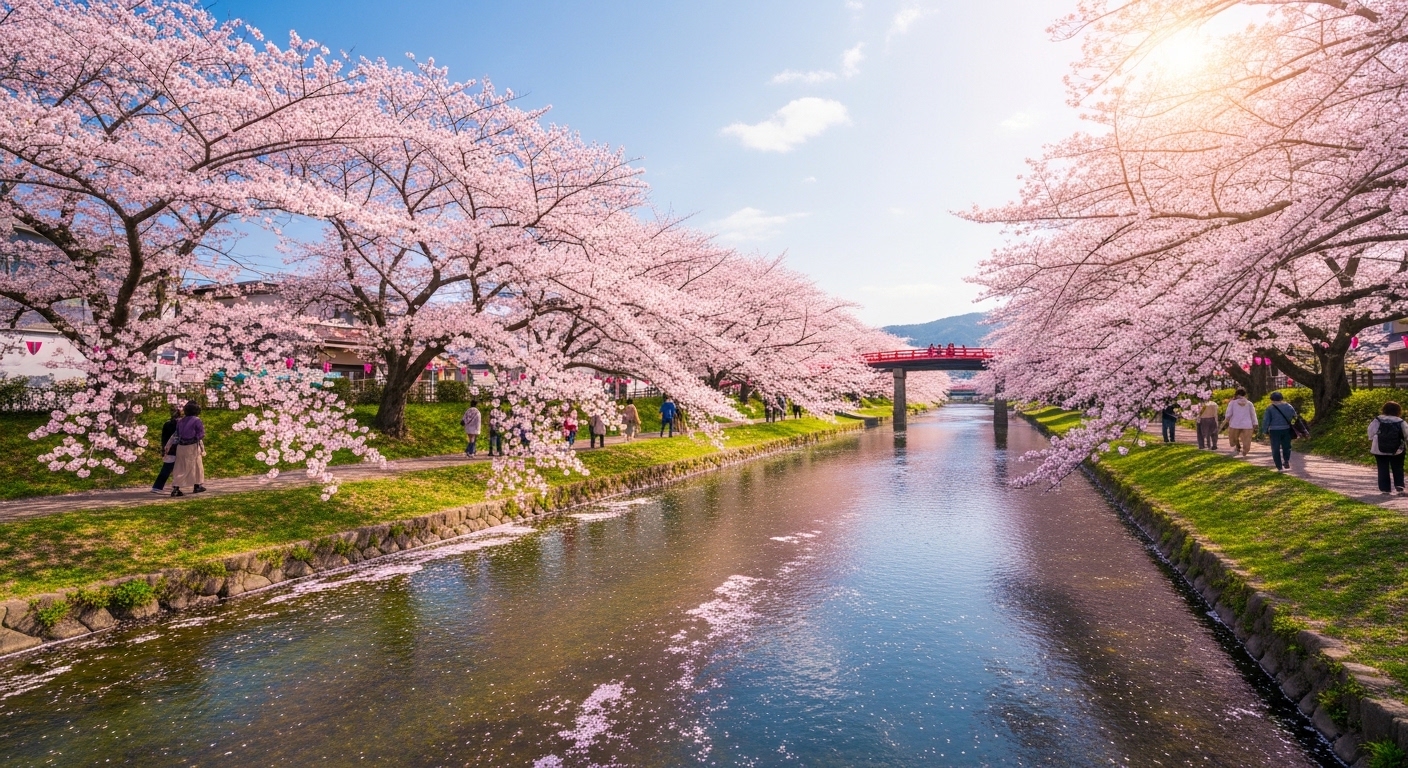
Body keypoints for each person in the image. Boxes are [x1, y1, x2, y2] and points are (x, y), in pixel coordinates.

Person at [1369, 401, 1408, 496]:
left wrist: (1372, 439)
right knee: (1398, 467)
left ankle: (1385, 489)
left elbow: (1371, 431)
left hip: (1378, 448)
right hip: (1397, 449)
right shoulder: (1400, 421)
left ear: (1384, 409)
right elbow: (1406, 434)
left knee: (1382, 468)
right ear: (1398, 411)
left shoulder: (1378, 419)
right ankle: (1399, 486)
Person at [169, 400, 206, 497]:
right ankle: (197, 486)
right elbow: (201, 434)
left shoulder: (180, 421)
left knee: (180, 467)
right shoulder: (197, 420)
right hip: (192, 446)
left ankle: (176, 488)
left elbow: (176, 434)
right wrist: (197, 438)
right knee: (197, 465)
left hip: (180, 447)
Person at [1261, 391, 1298, 472]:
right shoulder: (1288, 406)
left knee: (1275, 448)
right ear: (1281, 398)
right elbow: (1295, 416)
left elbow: (1266, 420)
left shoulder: (1270, 408)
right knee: (1287, 446)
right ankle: (1286, 461)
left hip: (1274, 431)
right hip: (1286, 429)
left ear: (1272, 399)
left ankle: (1279, 467)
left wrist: (1264, 430)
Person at [150, 406, 182, 494]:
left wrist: (163, 449)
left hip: (169, 449)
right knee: (179, 469)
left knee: (166, 468)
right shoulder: (182, 423)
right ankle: (176, 487)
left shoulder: (167, 423)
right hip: (180, 448)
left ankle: (157, 486)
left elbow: (164, 438)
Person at [1222, 388, 1257, 457]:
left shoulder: (1232, 403)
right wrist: (1255, 423)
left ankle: (1237, 448)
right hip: (1247, 424)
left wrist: (1227, 419)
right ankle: (1245, 451)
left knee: (1234, 437)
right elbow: (1253, 414)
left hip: (1235, 424)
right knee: (1246, 439)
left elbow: (1229, 413)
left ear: (1236, 394)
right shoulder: (1249, 403)